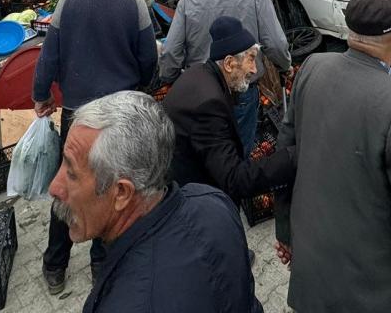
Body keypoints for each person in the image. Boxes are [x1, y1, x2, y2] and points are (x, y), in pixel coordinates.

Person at [275, 0, 391, 313]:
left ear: (350, 32)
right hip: (372, 292)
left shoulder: (312, 68)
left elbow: (285, 155)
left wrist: (285, 231)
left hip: (313, 273)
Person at [49, 92, 262, 313]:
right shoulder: (212, 202)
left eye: (71, 173)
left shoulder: (124, 303)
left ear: (121, 192)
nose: (54, 187)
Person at [32, 0, 158, 293]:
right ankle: (101, 263)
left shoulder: (68, 1)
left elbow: (48, 56)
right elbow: (149, 57)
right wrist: (143, 87)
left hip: (78, 116)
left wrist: (41, 96)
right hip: (119, 115)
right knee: (111, 186)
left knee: (71, 183)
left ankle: (55, 265)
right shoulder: (132, 3)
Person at [158, 0, 290, 153]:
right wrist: (285, 66)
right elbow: (275, 43)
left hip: (201, 91)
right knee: (239, 152)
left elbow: (171, 51)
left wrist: (170, 78)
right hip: (242, 88)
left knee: (209, 153)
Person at [162, 16, 295, 202]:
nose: (255, 70)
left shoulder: (199, 73)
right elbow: (234, 179)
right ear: (229, 63)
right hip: (192, 198)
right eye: (251, 60)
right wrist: (290, 158)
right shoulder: (208, 105)